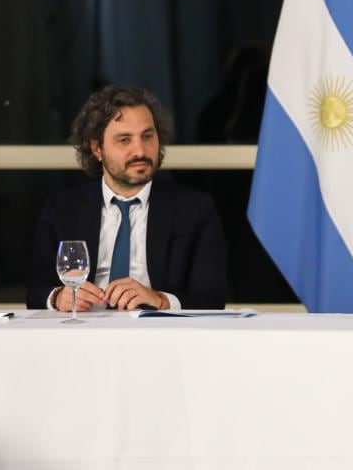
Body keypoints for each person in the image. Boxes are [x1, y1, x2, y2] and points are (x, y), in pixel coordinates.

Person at [27, 86, 228, 311]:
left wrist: (160, 300)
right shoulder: (63, 208)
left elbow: (212, 298)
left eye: (148, 136)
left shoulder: (194, 208)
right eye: (124, 140)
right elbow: (36, 289)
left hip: (160, 335)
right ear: (97, 149)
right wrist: (58, 297)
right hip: (83, 332)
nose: (140, 151)